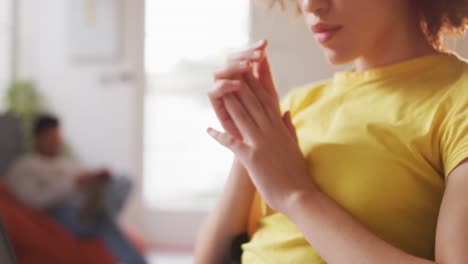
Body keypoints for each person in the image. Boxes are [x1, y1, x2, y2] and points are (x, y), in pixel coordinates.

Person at [195, 0, 468, 263]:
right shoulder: (297, 104)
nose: (311, 5)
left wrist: (295, 195)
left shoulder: (458, 98)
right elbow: (210, 259)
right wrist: (246, 145)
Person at [5, 114, 146, 264]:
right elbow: (33, 200)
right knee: (106, 221)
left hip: (84, 205)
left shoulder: (67, 164)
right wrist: (74, 183)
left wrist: (96, 178)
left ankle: (103, 209)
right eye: (51, 138)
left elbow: (83, 186)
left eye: (58, 138)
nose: (56, 142)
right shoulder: (25, 166)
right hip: (60, 214)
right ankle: (104, 211)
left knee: (123, 180)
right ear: (37, 138)